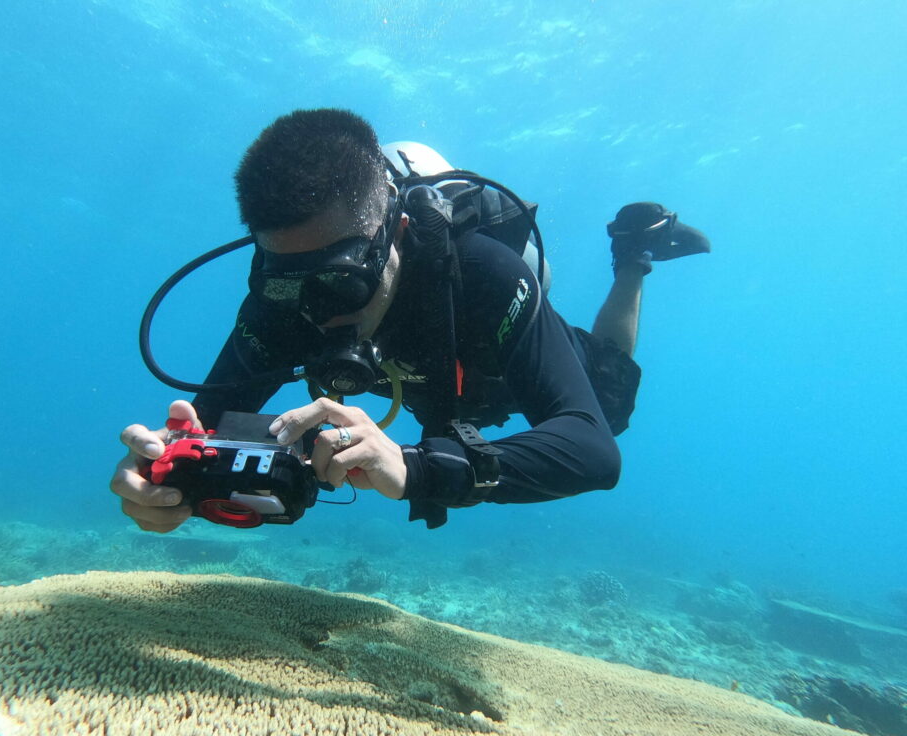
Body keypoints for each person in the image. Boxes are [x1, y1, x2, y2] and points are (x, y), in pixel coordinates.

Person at [111, 108, 710, 532]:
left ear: (394, 234)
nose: (317, 312)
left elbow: (593, 450)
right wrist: (165, 476)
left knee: (613, 399)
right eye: (289, 281)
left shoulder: (485, 274)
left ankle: (632, 256)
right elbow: (205, 428)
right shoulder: (280, 298)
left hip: (491, 363)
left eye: (340, 279)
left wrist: (416, 468)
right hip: (436, 397)